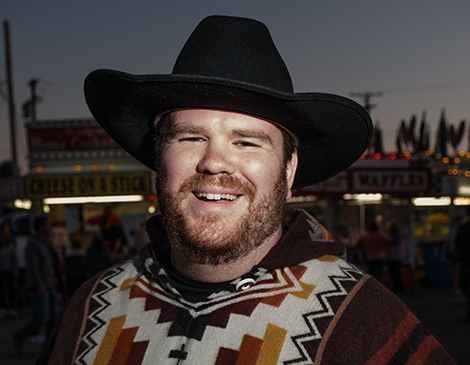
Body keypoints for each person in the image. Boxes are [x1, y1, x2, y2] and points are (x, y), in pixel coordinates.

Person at [38, 16, 455, 364]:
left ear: (288, 170)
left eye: (247, 141)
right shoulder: (91, 308)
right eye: (189, 137)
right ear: (158, 157)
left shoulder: (363, 323)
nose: (214, 161)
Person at [12, 216, 61, 355]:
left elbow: (47, 264)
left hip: (49, 285)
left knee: (54, 317)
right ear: (41, 227)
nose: (50, 228)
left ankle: (48, 346)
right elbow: (34, 267)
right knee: (42, 317)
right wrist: (40, 286)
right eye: (48, 225)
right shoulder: (33, 244)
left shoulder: (44, 242)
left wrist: (52, 278)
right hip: (40, 288)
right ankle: (18, 336)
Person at [0, 222, 19, 319]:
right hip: (2, 271)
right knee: (3, 291)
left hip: (9, 271)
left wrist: (15, 273)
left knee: (10, 289)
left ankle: (11, 308)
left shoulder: (10, 248)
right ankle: (4, 308)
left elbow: (14, 260)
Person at [455, 207, 470, 324]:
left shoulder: (463, 229)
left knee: (465, 285)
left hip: (465, 262)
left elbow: (458, 244)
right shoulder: (463, 229)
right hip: (465, 262)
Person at [386, 222, 406, 296]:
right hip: (398, 257)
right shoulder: (399, 236)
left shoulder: (391, 237)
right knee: (396, 274)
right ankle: (399, 289)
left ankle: (398, 289)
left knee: (395, 274)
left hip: (393, 257)